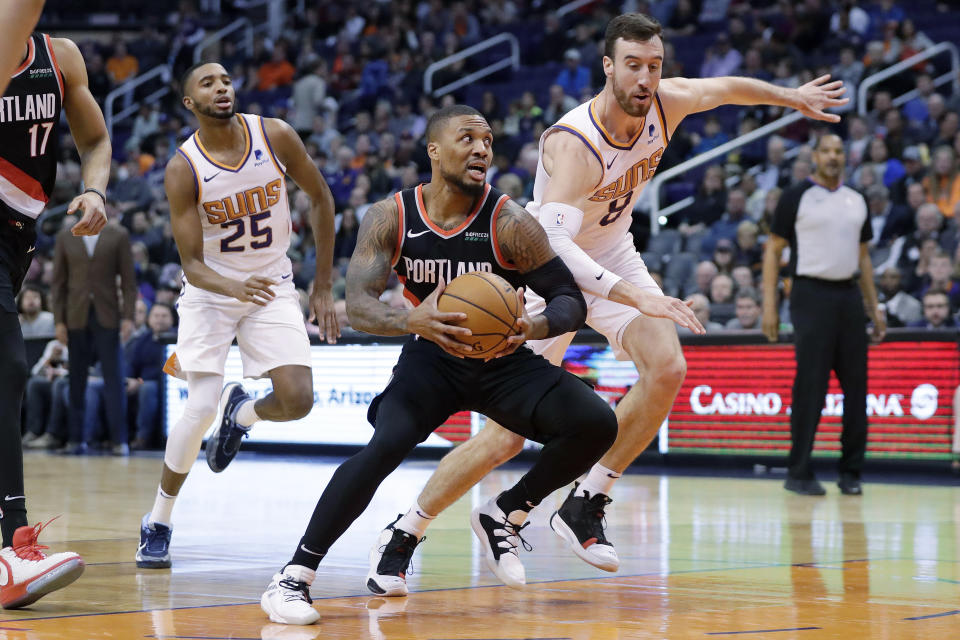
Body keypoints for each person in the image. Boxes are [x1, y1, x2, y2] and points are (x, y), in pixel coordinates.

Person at [367, 11, 846, 593]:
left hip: (613, 250)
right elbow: (559, 247)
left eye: (654, 66)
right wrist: (633, 294)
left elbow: (726, 90)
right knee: (505, 437)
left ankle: (584, 501)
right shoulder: (574, 142)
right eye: (633, 67)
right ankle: (406, 532)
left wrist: (791, 97)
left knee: (668, 367)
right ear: (607, 68)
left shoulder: (667, 102)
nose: (645, 79)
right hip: (544, 271)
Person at [259, 105, 618, 625]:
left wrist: (536, 327)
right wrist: (414, 322)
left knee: (595, 422)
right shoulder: (391, 216)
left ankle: (507, 512)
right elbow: (359, 305)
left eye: (488, 141)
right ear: (433, 151)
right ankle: (294, 576)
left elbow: (568, 298)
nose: (481, 149)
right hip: (431, 359)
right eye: (467, 138)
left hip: (501, 358)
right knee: (384, 448)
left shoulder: (510, 221)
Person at [135, 62, 338, 570]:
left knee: (298, 401)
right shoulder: (183, 168)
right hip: (210, 293)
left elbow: (320, 198)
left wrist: (323, 284)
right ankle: (158, 519)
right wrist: (233, 286)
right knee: (198, 405)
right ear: (189, 103)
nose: (221, 87)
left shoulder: (274, 135)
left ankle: (242, 414)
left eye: (225, 79)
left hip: (271, 282)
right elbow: (192, 267)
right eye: (207, 83)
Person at [0, 28, 110, 609]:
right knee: (10, 368)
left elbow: (94, 140)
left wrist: (94, 191)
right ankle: (14, 546)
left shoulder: (59, 56)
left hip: (19, 235)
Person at [762, 134, 885, 497]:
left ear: (844, 156)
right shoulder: (795, 196)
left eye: (838, 151)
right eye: (827, 151)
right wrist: (769, 305)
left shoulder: (856, 200)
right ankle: (798, 471)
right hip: (809, 294)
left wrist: (874, 308)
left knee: (857, 387)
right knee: (810, 387)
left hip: (848, 295)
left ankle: (851, 472)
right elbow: (773, 252)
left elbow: (863, 259)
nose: (833, 156)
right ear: (815, 156)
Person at [52, 205, 137, 456]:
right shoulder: (65, 236)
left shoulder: (118, 235)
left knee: (114, 380)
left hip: (108, 315)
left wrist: (129, 317)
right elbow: (58, 284)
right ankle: (75, 440)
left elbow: (129, 282)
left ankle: (119, 440)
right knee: (75, 380)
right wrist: (59, 321)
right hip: (75, 316)